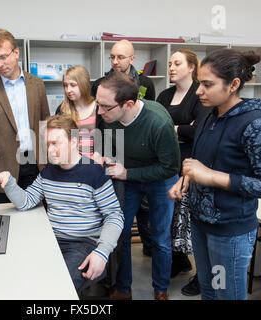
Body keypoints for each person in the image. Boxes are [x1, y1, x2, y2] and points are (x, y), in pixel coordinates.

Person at [168, 48, 261, 300]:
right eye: (200, 83)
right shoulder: (210, 117)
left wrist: (211, 177)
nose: (199, 91)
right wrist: (186, 178)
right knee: (210, 291)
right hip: (201, 223)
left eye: (207, 85)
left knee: (226, 294)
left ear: (233, 84)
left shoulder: (257, 124)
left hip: (229, 230)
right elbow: (201, 161)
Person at [0, 114, 124, 295]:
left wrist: (102, 252)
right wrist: (8, 180)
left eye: (56, 143)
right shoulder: (48, 172)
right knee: (18, 273)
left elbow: (115, 215)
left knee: (57, 289)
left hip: (83, 244)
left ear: (74, 142)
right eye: (47, 144)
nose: (50, 150)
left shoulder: (93, 172)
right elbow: (26, 202)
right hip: (51, 239)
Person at [97, 71, 180, 300]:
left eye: (105, 107)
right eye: (98, 104)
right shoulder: (109, 118)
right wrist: (107, 157)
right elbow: (112, 147)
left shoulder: (158, 122)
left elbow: (171, 167)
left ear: (129, 104)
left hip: (160, 178)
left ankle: (161, 289)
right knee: (120, 232)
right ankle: (123, 288)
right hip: (129, 177)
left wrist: (127, 172)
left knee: (160, 237)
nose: (99, 112)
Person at [92, 39, 156, 261]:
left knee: (145, 210)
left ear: (132, 58)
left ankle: (148, 248)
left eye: (120, 57)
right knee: (118, 211)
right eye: (112, 57)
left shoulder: (146, 84)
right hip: (112, 151)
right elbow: (99, 121)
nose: (115, 61)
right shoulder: (100, 84)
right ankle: (116, 266)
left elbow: (148, 116)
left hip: (140, 155)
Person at [0, 28, 50, 204]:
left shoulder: (36, 84)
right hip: (1, 169)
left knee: (37, 217)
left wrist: (50, 164)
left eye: (3, 57)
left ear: (16, 53)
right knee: (6, 221)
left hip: (35, 164)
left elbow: (45, 124)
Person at [157, 49, 212, 292]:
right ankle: (179, 261)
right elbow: (155, 127)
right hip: (166, 165)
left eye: (177, 63)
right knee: (171, 220)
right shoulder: (164, 94)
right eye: (170, 63)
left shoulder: (199, 94)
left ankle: (203, 276)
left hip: (191, 167)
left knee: (191, 223)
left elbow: (199, 130)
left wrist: (174, 129)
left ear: (191, 67)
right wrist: (182, 128)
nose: (170, 67)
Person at [55, 65, 102, 159]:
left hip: (94, 164)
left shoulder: (99, 108)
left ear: (83, 84)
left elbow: (107, 138)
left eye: (73, 85)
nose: (68, 90)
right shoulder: (61, 110)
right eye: (65, 85)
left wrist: (98, 154)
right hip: (71, 164)